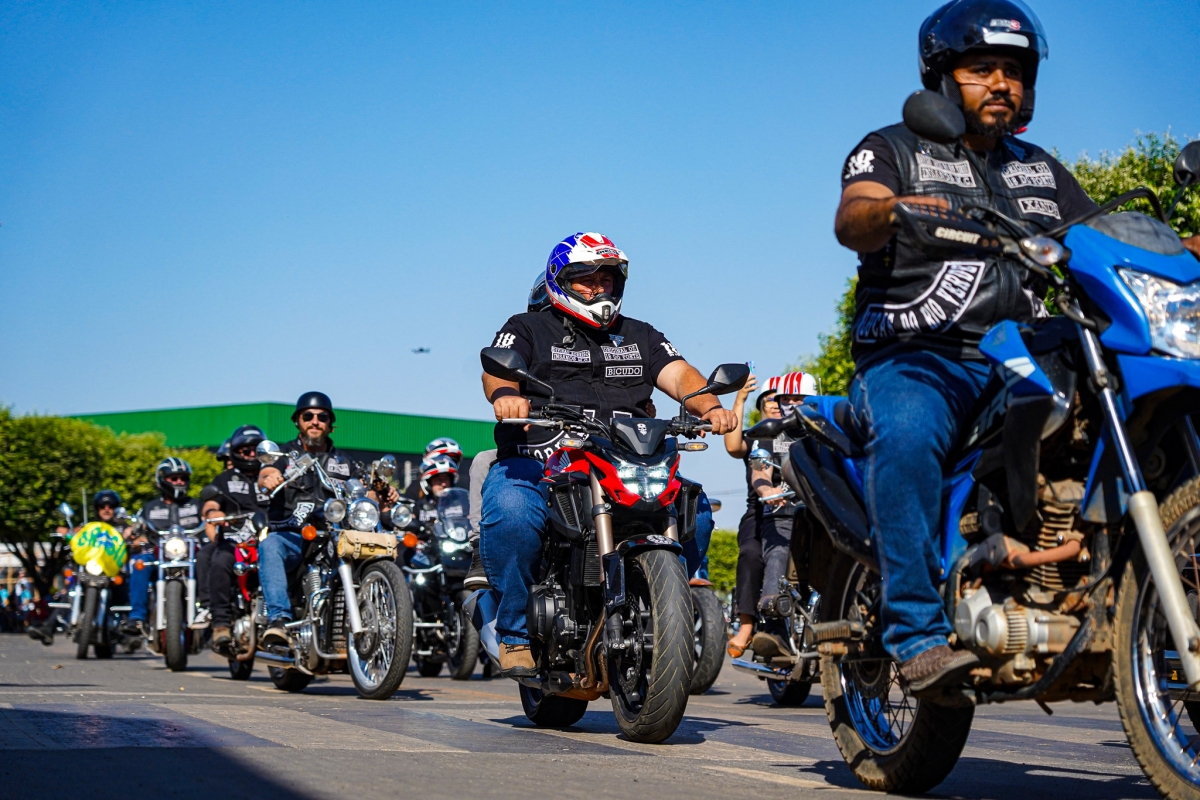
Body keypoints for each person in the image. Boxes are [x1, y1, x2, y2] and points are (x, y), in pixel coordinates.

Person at [829, 0, 1200, 693]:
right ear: (943, 76)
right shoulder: (894, 147)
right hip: (922, 354)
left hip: (1024, 350)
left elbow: (1103, 240)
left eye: (1014, 70)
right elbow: (854, 218)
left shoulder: (1040, 170)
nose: (1002, 82)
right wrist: (893, 209)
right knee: (907, 432)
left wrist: (1183, 249)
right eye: (983, 68)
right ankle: (913, 632)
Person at [479, 231, 738, 676]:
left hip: (624, 457)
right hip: (542, 457)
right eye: (587, 279)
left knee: (696, 510)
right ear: (560, 280)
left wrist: (709, 406)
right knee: (512, 509)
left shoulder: (640, 335)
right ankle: (515, 632)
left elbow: (680, 375)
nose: (600, 287)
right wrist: (507, 396)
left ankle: (662, 608)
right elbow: (497, 370)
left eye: (608, 278)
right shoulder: (527, 327)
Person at [255, 392, 352, 647]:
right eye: (308, 416)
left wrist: (382, 494)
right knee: (270, 545)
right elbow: (266, 473)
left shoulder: (344, 461)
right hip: (294, 534)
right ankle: (278, 621)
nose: (315, 421)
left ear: (330, 424)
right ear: (298, 421)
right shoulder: (284, 455)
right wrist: (269, 478)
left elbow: (364, 491)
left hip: (334, 535)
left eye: (322, 417)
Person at [199, 425, 269, 653]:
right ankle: (220, 624)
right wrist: (213, 512)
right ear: (236, 452)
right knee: (219, 562)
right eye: (246, 450)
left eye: (255, 449)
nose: (251, 454)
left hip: (268, 539)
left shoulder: (271, 474)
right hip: (234, 541)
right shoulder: (224, 479)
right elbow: (210, 502)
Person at [722, 374, 779, 655]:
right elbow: (733, 446)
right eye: (770, 400)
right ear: (761, 406)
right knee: (751, 553)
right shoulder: (758, 438)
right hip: (760, 511)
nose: (776, 404)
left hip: (802, 510)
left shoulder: (804, 436)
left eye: (782, 400)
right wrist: (740, 397)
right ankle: (746, 625)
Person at [125, 458, 203, 635]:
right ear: (162, 480)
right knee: (140, 564)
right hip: (158, 554)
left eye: (183, 478)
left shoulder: (197, 505)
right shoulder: (149, 508)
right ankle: (137, 617)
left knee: (210, 562)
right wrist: (134, 531)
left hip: (191, 554)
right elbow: (137, 526)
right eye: (174, 478)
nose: (179, 482)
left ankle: (209, 611)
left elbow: (210, 522)